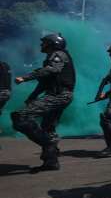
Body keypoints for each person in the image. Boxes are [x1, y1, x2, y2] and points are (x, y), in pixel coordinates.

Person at [11, 34, 75, 172]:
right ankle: (51, 161)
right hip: (60, 95)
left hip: (59, 95)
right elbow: (45, 82)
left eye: (44, 43)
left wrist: (25, 77)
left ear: (53, 44)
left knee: (20, 117)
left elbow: (52, 70)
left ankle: (48, 145)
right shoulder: (51, 59)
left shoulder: (58, 54)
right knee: (47, 127)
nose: (41, 45)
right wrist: (32, 96)